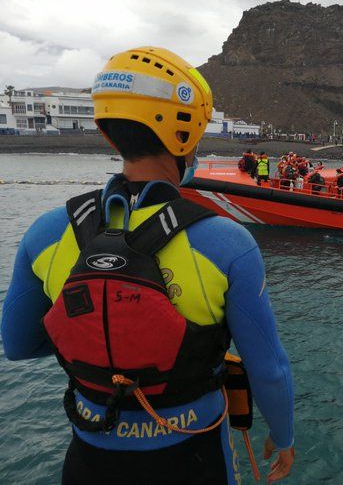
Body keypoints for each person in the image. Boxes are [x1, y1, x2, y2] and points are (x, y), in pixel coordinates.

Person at [1, 47, 295, 485]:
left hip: (90, 456)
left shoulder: (47, 231)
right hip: (193, 454)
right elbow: (268, 368)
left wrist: (99, 344)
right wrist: (284, 437)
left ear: (107, 129)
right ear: (186, 136)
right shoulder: (229, 243)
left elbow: (18, 345)